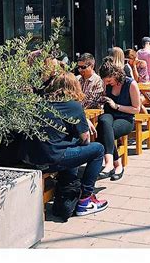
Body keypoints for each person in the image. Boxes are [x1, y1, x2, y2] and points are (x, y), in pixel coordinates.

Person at [21, 72, 108, 216]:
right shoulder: (73, 106)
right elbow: (85, 140)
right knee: (98, 149)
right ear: (74, 87)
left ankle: (70, 193)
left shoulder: (40, 103)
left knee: (70, 146)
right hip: (52, 158)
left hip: (30, 158)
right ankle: (85, 200)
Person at [96, 62, 140, 179]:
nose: (107, 84)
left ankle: (114, 164)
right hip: (109, 115)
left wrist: (116, 106)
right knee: (103, 121)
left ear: (115, 75)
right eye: (105, 81)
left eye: (109, 81)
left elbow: (137, 109)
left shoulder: (130, 84)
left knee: (103, 132)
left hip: (126, 118)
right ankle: (113, 164)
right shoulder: (107, 84)